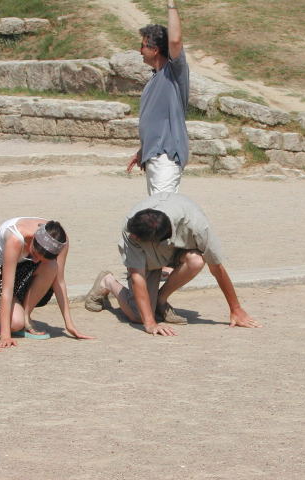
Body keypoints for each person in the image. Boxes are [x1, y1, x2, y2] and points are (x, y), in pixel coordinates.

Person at [84, 192, 261, 336]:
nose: (131, 237)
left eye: (136, 237)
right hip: (148, 259)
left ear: (155, 239)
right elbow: (138, 277)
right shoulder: (133, 226)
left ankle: (160, 301)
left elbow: (217, 268)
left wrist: (236, 309)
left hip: (177, 249)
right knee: (138, 316)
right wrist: (150, 323)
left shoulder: (197, 226)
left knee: (197, 260)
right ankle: (108, 281)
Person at [0, 217, 93, 348]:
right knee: (16, 324)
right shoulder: (16, 238)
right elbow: (7, 290)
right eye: (35, 254)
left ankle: (26, 317)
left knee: (51, 266)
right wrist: (5, 335)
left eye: (40, 259)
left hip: (21, 263)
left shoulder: (60, 242)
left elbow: (59, 281)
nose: (36, 261)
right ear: (33, 240)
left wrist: (69, 324)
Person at [126, 0, 190, 195]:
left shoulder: (174, 74)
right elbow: (156, 122)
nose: (140, 50)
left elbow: (175, 41)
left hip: (166, 158)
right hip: (154, 156)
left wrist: (171, 4)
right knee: (157, 209)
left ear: (155, 50)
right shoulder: (154, 80)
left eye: (143, 46)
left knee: (161, 209)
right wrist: (142, 151)